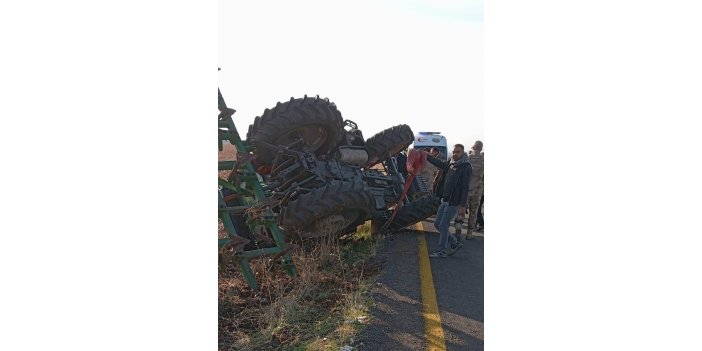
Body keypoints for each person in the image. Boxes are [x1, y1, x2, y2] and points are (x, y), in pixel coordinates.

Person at [424, 144, 472, 258]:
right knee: (437, 224)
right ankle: (455, 243)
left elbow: (465, 187)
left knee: (444, 226)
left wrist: (463, 205)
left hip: (454, 202)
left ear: (463, 152)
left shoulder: (466, 167)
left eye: (458, 152)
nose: (455, 154)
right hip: (444, 200)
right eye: (454, 152)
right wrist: (426, 156)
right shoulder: (450, 163)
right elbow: (439, 164)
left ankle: (442, 251)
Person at [464, 142, 484, 239]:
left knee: (461, 210)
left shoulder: (468, 158)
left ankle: (458, 230)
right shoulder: (484, 160)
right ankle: (469, 233)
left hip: (466, 189)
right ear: (481, 148)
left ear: (473, 147)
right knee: (474, 212)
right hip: (477, 190)